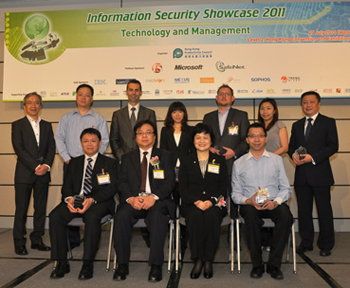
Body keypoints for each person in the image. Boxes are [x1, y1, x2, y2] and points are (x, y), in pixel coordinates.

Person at [49, 128, 118, 280]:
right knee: (55, 216)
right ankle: (61, 262)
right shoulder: (73, 162)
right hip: (76, 199)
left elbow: (111, 188)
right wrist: (69, 200)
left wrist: (92, 200)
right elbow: (66, 187)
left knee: (92, 217)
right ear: (81, 143)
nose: (89, 144)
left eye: (93, 141)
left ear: (100, 143)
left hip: (99, 201)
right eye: (85, 141)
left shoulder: (110, 163)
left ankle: (88, 263)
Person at [113, 120, 175, 283]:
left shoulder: (165, 156)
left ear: (154, 137)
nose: (144, 136)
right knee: (121, 217)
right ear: (135, 137)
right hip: (134, 199)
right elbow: (121, 182)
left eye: (148, 132)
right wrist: (131, 198)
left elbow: (169, 183)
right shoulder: (127, 158)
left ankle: (156, 265)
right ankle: (122, 264)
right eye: (140, 133)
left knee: (157, 218)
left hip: (157, 200)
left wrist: (153, 197)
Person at [232, 122, 293, 280]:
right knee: (250, 217)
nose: (257, 139)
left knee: (286, 216)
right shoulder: (238, 163)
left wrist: (276, 201)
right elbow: (235, 194)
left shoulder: (276, 160)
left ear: (265, 139)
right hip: (250, 204)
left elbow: (286, 188)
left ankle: (274, 265)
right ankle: (257, 265)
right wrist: (248, 200)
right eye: (252, 136)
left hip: (272, 201)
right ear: (247, 140)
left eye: (260, 136)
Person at [55, 83, 109, 247]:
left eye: (87, 95)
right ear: (76, 96)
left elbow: (104, 140)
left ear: (91, 98)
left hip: (93, 164)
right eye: (80, 94)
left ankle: (90, 234)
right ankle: (73, 239)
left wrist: (96, 159)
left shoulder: (98, 118)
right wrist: (67, 159)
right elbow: (59, 138)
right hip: (72, 163)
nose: (83, 97)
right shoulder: (66, 117)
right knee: (71, 197)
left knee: (91, 199)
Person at [288, 91, 338, 257]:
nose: (307, 105)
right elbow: (291, 147)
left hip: (321, 174)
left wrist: (313, 157)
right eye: (304, 102)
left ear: (318, 103)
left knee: (324, 211)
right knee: (303, 211)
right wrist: (293, 155)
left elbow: (333, 146)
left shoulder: (328, 122)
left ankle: (326, 244)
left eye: (311, 102)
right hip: (301, 176)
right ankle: (306, 242)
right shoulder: (296, 125)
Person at [178, 123, 227, 279]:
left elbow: (223, 186)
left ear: (211, 140)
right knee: (196, 217)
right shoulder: (186, 161)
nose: (201, 141)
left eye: (205, 137)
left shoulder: (219, 160)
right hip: (192, 203)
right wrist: (197, 201)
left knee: (212, 217)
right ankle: (198, 259)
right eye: (198, 137)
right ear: (193, 141)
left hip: (215, 203)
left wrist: (211, 201)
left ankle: (208, 260)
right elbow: (182, 188)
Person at [12, 92, 55, 255]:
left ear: (41, 106)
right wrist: (36, 166)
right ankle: (19, 242)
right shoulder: (17, 125)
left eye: (37, 102)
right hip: (24, 174)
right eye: (29, 102)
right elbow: (19, 149)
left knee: (40, 208)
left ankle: (37, 239)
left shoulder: (47, 125)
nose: (33, 105)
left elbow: (52, 148)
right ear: (24, 106)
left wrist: (46, 166)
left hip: (43, 173)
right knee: (21, 209)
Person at [110, 79, 157, 162]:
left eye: (136, 90)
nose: (133, 93)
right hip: (123, 160)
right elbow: (114, 139)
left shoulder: (149, 113)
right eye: (131, 90)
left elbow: (153, 137)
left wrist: (147, 156)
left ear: (141, 93)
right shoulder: (117, 115)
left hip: (144, 159)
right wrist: (122, 158)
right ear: (126, 92)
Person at [160, 101, 194, 199]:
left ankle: (183, 213)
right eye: (174, 112)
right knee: (172, 194)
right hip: (170, 167)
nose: (177, 115)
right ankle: (173, 214)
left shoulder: (191, 130)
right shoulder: (165, 130)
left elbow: (192, 150)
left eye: (180, 112)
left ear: (184, 113)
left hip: (186, 167)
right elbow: (163, 149)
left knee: (185, 193)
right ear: (170, 114)